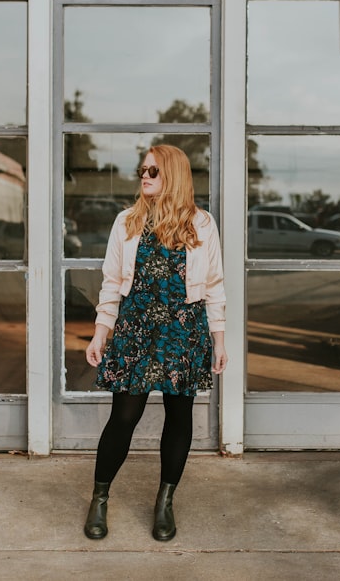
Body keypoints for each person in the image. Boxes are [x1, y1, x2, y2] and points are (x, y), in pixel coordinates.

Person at [83, 144, 228, 542]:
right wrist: (101, 332)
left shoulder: (202, 224)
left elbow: (214, 286)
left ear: (174, 176)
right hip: (135, 329)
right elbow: (112, 283)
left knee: (179, 417)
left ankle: (165, 502)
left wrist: (218, 340)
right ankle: (99, 498)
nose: (144, 176)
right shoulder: (127, 222)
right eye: (143, 170)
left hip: (183, 329)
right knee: (124, 417)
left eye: (153, 171)